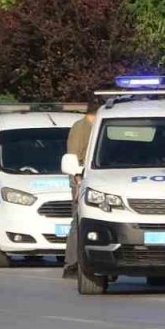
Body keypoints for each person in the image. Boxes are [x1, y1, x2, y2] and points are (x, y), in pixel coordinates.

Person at [63, 98, 99, 279]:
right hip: (80, 179)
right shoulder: (81, 127)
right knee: (78, 222)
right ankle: (71, 263)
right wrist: (77, 182)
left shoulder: (97, 126)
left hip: (92, 179)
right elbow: (73, 155)